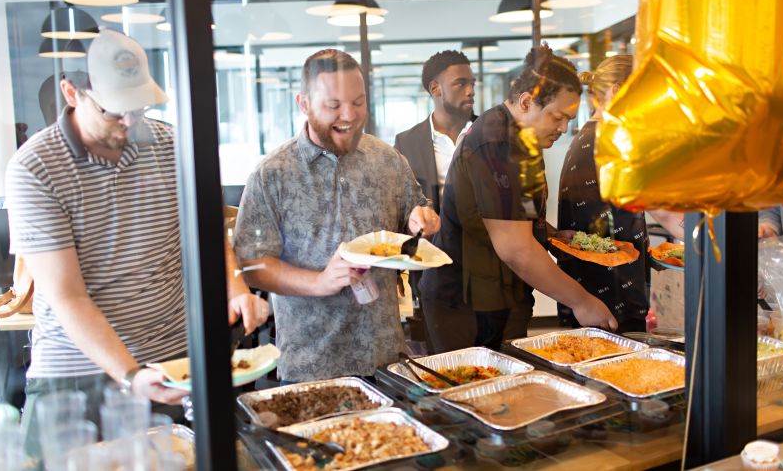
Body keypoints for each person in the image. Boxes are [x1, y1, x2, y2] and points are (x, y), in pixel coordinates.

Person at [4, 29, 268, 447]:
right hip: (77, 372)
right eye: (114, 111)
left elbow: (207, 234)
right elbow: (67, 296)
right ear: (72, 93)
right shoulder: (35, 169)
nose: (130, 122)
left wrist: (234, 289)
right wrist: (130, 374)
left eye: (139, 107)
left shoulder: (171, 146)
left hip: (173, 361)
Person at [233, 48, 440, 383]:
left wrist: (423, 217)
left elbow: (414, 212)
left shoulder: (388, 160)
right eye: (333, 105)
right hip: (310, 365)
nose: (349, 115)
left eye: (358, 102)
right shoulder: (272, 174)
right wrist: (319, 282)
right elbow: (253, 265)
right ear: (304, 104)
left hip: (385, 359)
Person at [420, 44, 617, 352]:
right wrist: (582, 302)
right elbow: (516, 249)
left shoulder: (523, 141)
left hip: (500, 296)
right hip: (467, 306)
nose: (564, 129)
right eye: (558, 117)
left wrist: (549, 234)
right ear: (526, 102)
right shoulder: (497, 142)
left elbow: (516, 212)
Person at [556, 55, 649, 332]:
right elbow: (659, 208)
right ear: (618, 90)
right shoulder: (610, 141)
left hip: (598, 287)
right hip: (612, 294)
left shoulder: (589, 136)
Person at [394, 50, 476, 212]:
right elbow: (401, 204)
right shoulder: (407, 143)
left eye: (472, 84)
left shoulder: (491, 132)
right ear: (435, 88)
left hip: (488, 235)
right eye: (461, 83)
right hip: (433, 236)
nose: (470, 91)